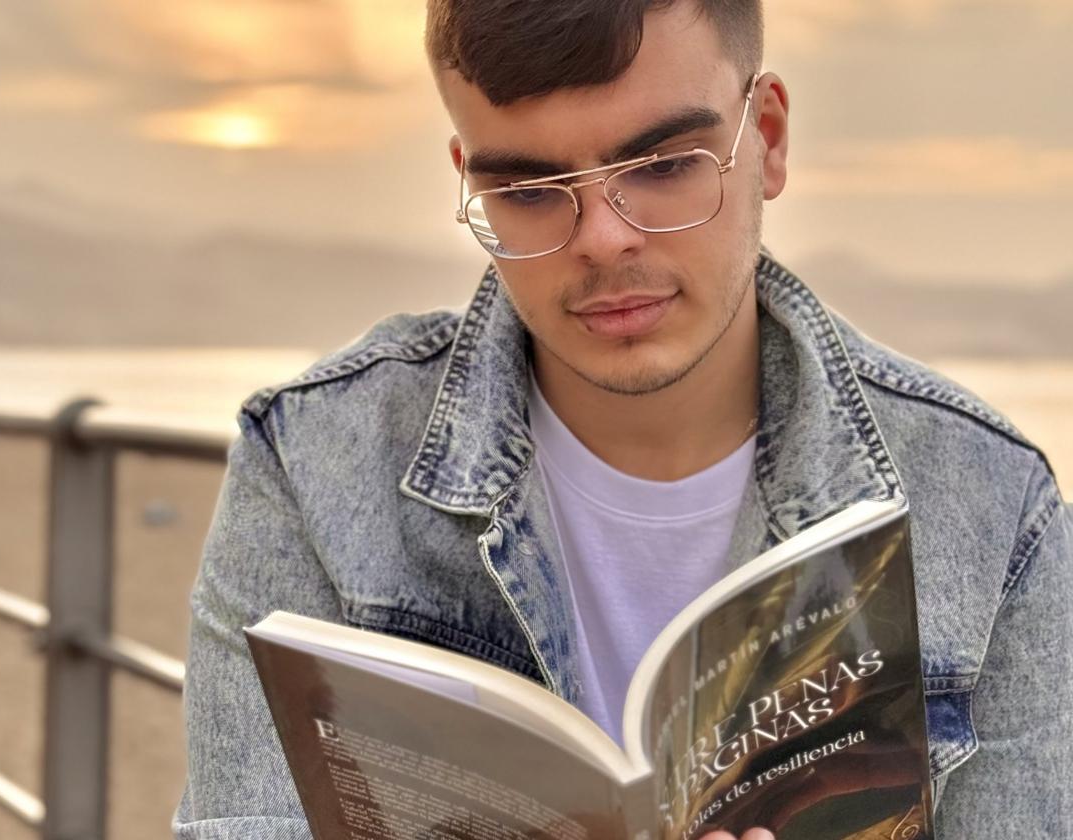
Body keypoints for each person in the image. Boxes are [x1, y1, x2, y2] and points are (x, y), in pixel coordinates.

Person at [173, 1, 1072, 838]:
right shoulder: (310, 465)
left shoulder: (993, 508)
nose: (603, 238)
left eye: (662, 167)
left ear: (767, 137)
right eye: (528, 191)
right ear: (469, 185)